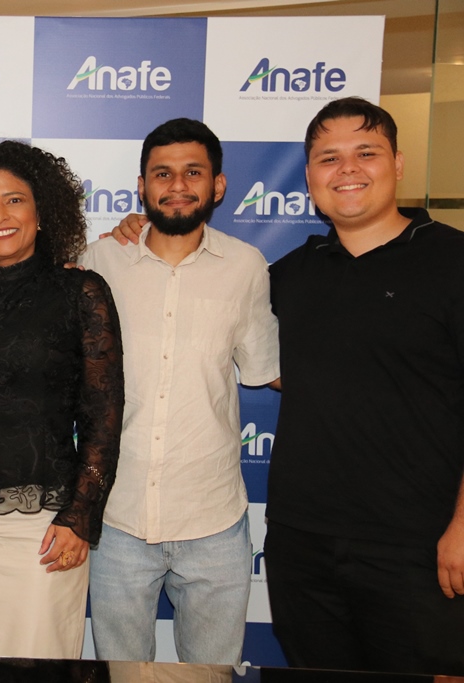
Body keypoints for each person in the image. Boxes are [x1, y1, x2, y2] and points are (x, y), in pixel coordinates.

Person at [263, 97, 464, 675]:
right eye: (329, 158)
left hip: (417, 545)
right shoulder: (285, 276)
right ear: (309, 177)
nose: (347, 169)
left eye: (366, 152)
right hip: (300, 543)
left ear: (397, 164)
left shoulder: (454, 261)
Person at [80, 119, 280, 665]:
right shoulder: (99, 260)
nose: (177, 185)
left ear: (218, 185)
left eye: (193, 172)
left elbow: (265, 366)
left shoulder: (246, 265)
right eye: (162, 173)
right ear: (141, 186)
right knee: (123, 676)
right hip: (117, 517)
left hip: (213, 519)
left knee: (211, 676)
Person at [0, 139, 125, 658]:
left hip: (48, 526)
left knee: (40, 669)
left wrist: (80, 516)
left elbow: (103, 416)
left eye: (14, 200)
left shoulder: (81, 292)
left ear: (42, 210)